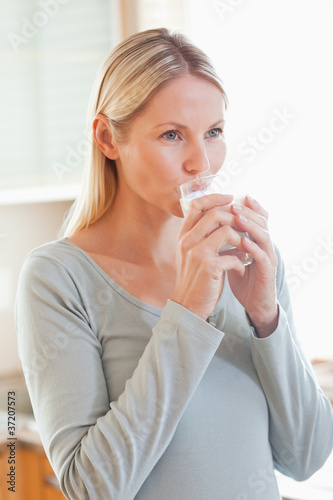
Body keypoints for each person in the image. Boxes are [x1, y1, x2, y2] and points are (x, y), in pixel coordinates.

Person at [16, 28, 333, 500]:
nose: (201, 163)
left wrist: (267, 318)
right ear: (107, 138)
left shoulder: (246, 261)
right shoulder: (58, 279)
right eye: (171, 135)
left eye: (214, 133)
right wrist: (186, 314)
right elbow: (93, 488)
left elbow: (306, 457)